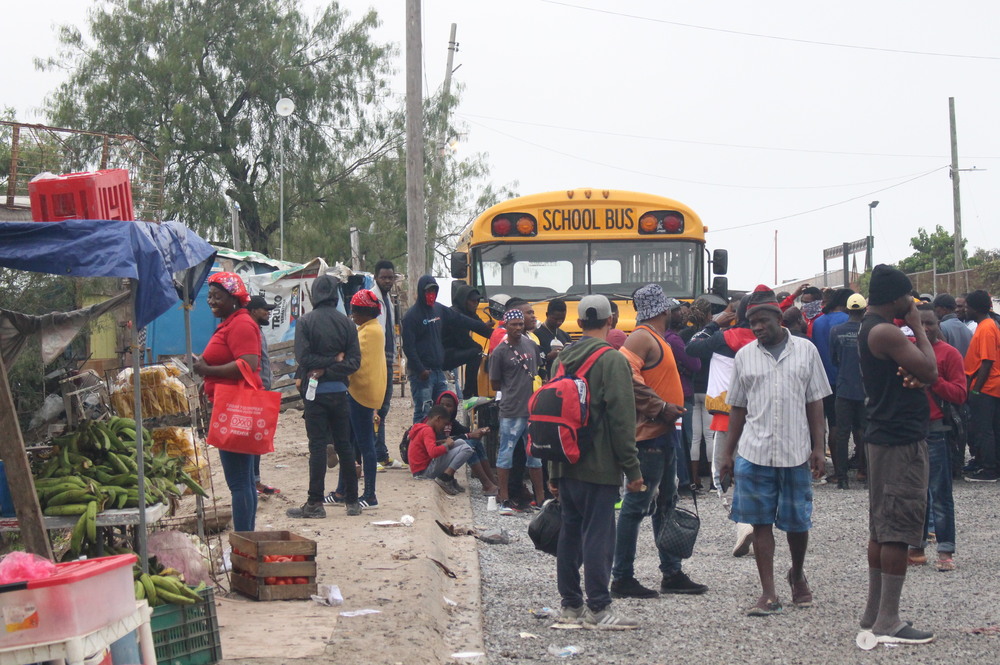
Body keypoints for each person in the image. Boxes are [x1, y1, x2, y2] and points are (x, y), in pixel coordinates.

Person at [719, 285, 830, 616]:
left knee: (797, 523)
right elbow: (736, 407)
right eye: (752, 322)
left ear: (779, 318)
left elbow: (816, 401)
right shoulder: (744, 357)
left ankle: (796, 575)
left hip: (795, 452)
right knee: (760, 522)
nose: (757, 327)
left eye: (763, 320)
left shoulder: (806, 351)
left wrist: (818, 448)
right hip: (755, 453)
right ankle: (769, 593)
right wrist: (728, 453)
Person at [548, 295, 643, 630]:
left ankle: (570, 607)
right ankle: (599, 609)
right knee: (598, 535)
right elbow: (622, 419)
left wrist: (552, 471)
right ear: (611, 321)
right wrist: (632, 469)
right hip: (598, 465)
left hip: (563, 462)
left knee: (569, 534)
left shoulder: (560, 360)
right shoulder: (612, 360)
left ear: (580, 322)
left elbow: (551, 415)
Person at [858, 264, 938, 644]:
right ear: (896, 296)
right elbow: (931, 369)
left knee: (881, 525)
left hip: (882, 434)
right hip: (899, 439)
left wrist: (915, 373)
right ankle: (889, 620)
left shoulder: (871, 328)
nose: (913, 301)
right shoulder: (887, 330)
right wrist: (919, 328)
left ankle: (874, 610)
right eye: (909, 295)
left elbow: (917, 372)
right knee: (898, 527)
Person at [611, 284, 707, 599]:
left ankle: (672, 572)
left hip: (662, 435)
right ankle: (622, 577)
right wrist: (660, 407)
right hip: (650, 436)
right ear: (663, 310)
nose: (677, 312)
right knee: (636, 505)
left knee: (665, 503)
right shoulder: (641, 337)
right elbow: (626, 375)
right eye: (672, 307)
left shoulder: (655, 339)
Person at [289, 275, 362, 518]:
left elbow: (303, 359)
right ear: (335, 294)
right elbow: (353, 363)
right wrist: (334, 362)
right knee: (345, 445)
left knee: (318, 447)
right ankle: (352, 501)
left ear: (314, 295)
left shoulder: (305, 322)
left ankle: (315, 503)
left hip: (314, 393)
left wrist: (321, 370)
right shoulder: (348, 324)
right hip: (340, 393)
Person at [194, 272, 262, 533]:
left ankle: (244, 540)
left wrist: (208, 371)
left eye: (217, 296)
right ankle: (248, 538)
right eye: (210, 295)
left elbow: (248, 364)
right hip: (229, 405)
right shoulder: (230, 322)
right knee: (244, 479)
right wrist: (207, 374)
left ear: (234, 298)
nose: (211, 300)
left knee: (238, 482)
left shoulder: (241, 324)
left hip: (235, 408)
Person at [906, 307, 965, 571]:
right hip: (909, 430)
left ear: (938, 323)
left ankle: (945, 551)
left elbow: (960, 394)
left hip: (936, 430)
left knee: (940, 493)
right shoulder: (906, 349)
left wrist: (932, 380)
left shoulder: (949, 354)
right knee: (914, 493)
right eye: (921, 323)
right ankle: (916, 547)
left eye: (930, 323)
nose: (926, 328)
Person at [402, 275, 492, 423]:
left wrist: (488, 330)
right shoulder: (411, 316)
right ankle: (416, 445)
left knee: (443, 414)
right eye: (428, 291)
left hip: (438, 371)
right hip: (422, 374)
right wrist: (420, 369)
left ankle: (436, 442)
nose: (431, 294)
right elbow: (408, 347)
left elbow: (462, 320)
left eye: (434, 290)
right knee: (423, 413)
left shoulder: (438, 309)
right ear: (420, 291)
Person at [489, 309, 544, 514]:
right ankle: (504, 498)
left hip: (532, 409)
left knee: (535, 454)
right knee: (506, 454)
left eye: (521, 324)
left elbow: (537, 372)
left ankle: (540, 498)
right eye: (514, 324)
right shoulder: (500, 352)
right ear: (506, 326)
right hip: (511, 409)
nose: (518, 328)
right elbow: (495, 383)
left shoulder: (531, 345)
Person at [346, 289, 388, 508]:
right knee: (352, 443)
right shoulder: (374, 328)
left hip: (362, 393)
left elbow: (353, 359)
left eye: (354, 312)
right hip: (368, 391)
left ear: (362, 312)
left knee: (365, 446)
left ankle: (370, 494)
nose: (352, 315)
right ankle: (344, 489)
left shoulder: (367, 333)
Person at [829, 294, 868, 488]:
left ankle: (842, 478)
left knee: (842, 433)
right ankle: (865, 472)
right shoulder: (868, 331)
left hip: (844, 387)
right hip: (865, 389)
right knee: (863, 431)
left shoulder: (836, 331)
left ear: (847, 310)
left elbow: (834, 358)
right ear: (864, 310)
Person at [812, 289, 852, 475]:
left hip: (822, 379)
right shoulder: (848, 320)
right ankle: (856, 468)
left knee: (826, 423)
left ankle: (836, 470)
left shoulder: (818, 321)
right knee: (849, 425)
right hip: (845, 379)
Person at [663, 298, 701, 489]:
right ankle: (684, 480)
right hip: (683, 392)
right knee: (684, 440)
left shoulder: (662, 338)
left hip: (669, 394)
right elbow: (695, 363)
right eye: (677, 311)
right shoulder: (675, 340)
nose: (682, 314)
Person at [964, 290, 1000, 482]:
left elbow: (987, 361)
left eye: (967, 306)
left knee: (984, 429)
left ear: (975, 308)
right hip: (991, 385)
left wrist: (977, 389)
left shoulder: (986, 327)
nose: (965, 310)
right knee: (993, 428)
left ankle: (989, 470)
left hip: (986, 387)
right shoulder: (986, 325)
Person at [247, 294, 280, 496]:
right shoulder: (250, 331)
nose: (268, 313)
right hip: (255, 392)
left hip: (262, 390)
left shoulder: (258, 330)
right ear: (253, 311)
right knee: (253, 439)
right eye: (264, 309)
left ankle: (255, 480)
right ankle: (253, 482)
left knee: (258, 438)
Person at [434, 391, 499, 495]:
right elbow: (438, 442)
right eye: (442, 405)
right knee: (468, 445)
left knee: (475, 442)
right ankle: (487, 484)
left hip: (440, 455)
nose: (444, 408)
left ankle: (492, 482)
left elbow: (465, 431)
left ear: (455, 408)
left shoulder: (450, 422)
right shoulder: (434, 421)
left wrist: (481, 430)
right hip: (432, 461)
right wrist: (469, 436)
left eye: (448, 405)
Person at [682, 298, 715, 488]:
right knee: (709, 436)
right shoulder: (712, 334)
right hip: (709, 387)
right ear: (709, 314)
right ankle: (712, 480)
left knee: (694, 437)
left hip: (691, 388)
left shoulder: (685, 334)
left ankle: (694, 480)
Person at [372, 260, 402, 468]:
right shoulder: (371, 298)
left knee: (383, 408)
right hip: (376, 360)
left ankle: (381, 453)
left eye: (390, 277)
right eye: (384, 277)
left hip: (388, 361)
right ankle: (372, 455)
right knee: (373, 408)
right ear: (376, 277)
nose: (388, 281)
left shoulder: (389, 301)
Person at [408, 404, 474, 495]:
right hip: (423, 473)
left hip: (421, 469)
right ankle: (445, 477)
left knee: (460, 442)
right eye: (444, 424)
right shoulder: (428, 431)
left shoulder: (422, 428)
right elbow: (433, 452)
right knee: (467, 449)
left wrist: (442, 443)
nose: (444, 428)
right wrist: (446, 445)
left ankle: (448, 477)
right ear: (438, 419)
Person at [442, 283, 487, 398]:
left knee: (478, 351)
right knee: (476, 352)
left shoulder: (470, 313)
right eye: (472, 301)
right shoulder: (454, 314)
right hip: (444, 354)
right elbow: (463, 341)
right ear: (464, 301)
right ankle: (469, 393)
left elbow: (482, 328)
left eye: (477, 301)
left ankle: (474, 390)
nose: (475, 304)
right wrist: (478, 347)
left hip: (455, 350)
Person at [534, 298, 571, 379]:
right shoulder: (536, 335)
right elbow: (533, 361)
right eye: (555, 319)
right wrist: (548, 357)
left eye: (562, 319)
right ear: (547, 315)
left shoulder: (565, 336)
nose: (559, 322)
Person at [933, 293, 973, 357]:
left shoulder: (941, 327)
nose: (934, 312)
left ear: (944, 309)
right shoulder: (967, 329)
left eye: (936, 308)